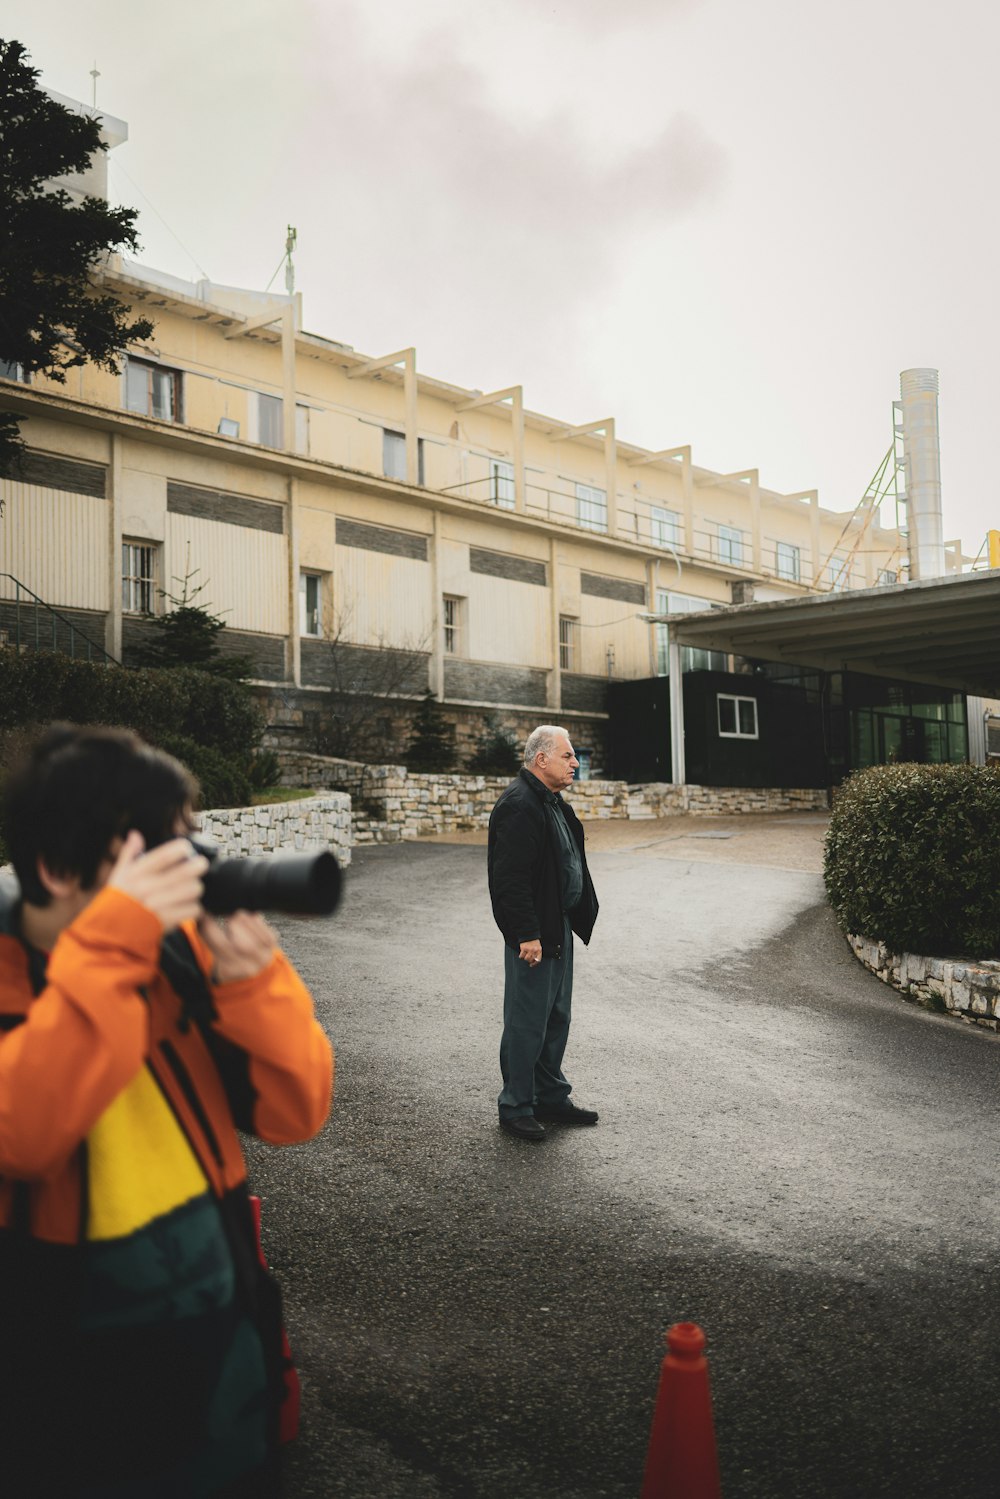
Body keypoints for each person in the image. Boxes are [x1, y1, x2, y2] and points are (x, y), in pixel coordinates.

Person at [0, 724, 333, 1496]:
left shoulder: (168, 963)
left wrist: (256, 984)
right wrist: (115, 941)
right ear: (56, 866)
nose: (185, 880)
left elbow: (297, 1111)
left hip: (217, 1378)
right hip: (60, 1410)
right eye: (158, 862)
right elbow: (24, 1130)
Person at [487, 725, 600, 1142]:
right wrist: (526, 934)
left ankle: (549, 1096)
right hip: (534, 935)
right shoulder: (520, 805)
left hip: (559, 926)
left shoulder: (552, 803)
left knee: (555, 1017)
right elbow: (510, 880)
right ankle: (516, 1105)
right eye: (568, 756)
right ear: (541, 760)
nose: (575, 763)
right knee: (526, 1021)